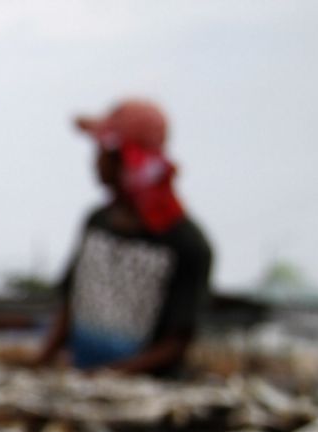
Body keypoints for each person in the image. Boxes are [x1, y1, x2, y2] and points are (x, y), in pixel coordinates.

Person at [29, 98, 212, 376]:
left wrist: (107, 376)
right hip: (80, 376)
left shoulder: (187, 244)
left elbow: (177, 342)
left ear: (124, 158)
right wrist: (42, 362)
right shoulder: (97, 222)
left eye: (102, 151)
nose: (95, 161)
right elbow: (70, 304)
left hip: (147, 394)